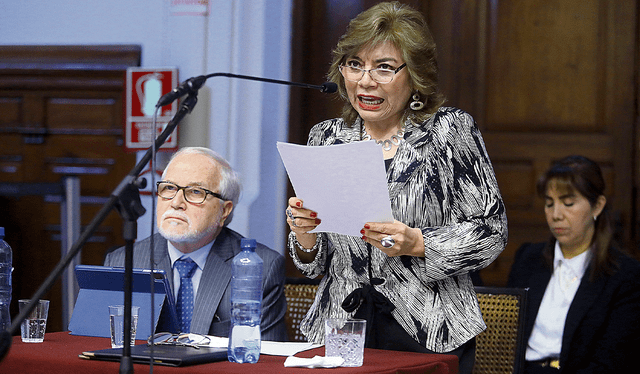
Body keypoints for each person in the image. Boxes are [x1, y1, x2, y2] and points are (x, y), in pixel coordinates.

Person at [284, 2, 507, 372]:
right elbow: (316, 263)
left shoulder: (448, 132)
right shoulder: (326, 138)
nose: (365, 80)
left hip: (429, 329)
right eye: (354, 64)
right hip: (343, 328)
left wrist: (418, 243)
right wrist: (304, 234)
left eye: (384, 68)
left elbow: (491, 231)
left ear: (415, 75)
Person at [105, 147, 287, 341]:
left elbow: (265, 360)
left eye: (195, 192)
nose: (176, 202)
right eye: (168, 188)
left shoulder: (262, 268)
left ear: (224, 211)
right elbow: (103, 347)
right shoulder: (123, 262)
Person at [508, 155, 640, 373]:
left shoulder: (624, 275)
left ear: (597, 206)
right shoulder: (528, 258)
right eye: (549, 204)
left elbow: (612, 361)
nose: (556, 215)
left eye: (568, 203)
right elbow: (504, 338)